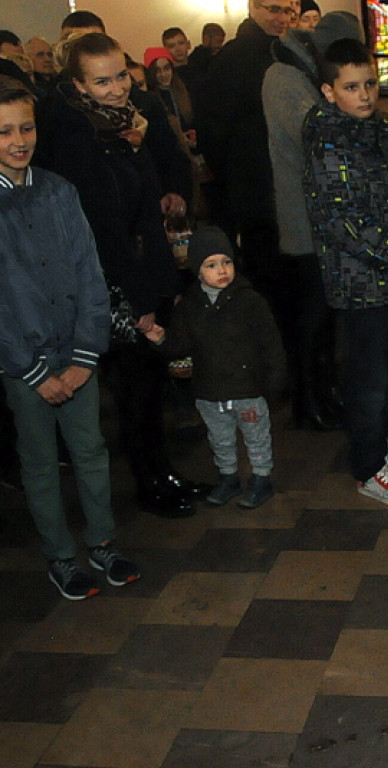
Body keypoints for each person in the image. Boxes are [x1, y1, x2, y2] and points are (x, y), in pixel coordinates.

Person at [35, 32, 203, 518]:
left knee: (152, 385)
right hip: (112, 280)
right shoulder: (75, 136)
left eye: (120, 76)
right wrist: (140, 295)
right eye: (101, 81)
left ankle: (163, 473)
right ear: (80, 84)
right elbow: (104, 227)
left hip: (141, 265)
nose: (116, 89)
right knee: (134, 389)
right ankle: (151, 484)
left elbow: (143, 199)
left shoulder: (124, 123)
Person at [0, 76, 141, 600]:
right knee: (39, 462)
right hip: (23, 365)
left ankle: (102, 541)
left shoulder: (59, 190)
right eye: (5, 131)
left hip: (77, 355)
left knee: (91, 450)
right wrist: (33, 370)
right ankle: (59, 553)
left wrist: (86, 354)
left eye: (27, 127)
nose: (20, 140)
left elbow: (89, 272)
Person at [303, 37, 388, 506]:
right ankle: (367, 466)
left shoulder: (378, 126)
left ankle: (384, 439)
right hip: (361, 281)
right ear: (328, 90)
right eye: (352, 86)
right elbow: (345, 224)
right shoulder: (328, 143)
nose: (365, 95)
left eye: (371, 84)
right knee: (366, 378)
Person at [262, 11, 362, 430]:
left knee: (324, 320)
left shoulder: (302, 71)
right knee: (311, 319)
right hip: (303, 218)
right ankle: (308, 399)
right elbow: (315, 133)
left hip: (323, 215)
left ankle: (326, 391)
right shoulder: (284, 76)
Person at [143, 227, 287, 509]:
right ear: (198, 271)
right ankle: (228, 477)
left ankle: (261, 478)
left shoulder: (250, 301)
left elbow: (271, 343)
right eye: (211, 265)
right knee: (220, 440)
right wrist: (161, 339)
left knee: (256, 437)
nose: (222, 270)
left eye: (227, 262)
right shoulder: (189, 307)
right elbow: (180, 344)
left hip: (247, 388)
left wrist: (275, 380)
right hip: (210, 391)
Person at [197, 0, 293, 294]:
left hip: (286, 184)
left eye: (289, 11)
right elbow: (213, 129)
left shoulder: (288, 50)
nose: (282, 18)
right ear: (253, 7)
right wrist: (237, 177)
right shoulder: (232, 58)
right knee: (268, 277)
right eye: (274, 9)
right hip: (255, 187)